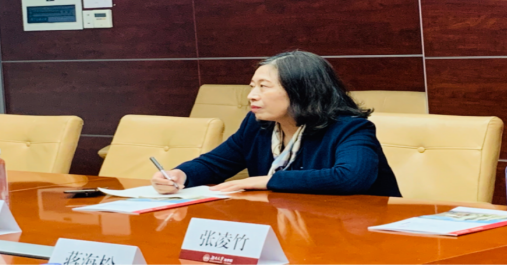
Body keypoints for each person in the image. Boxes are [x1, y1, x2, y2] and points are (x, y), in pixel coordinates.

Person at [151, 50, 401, 197]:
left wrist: (265, 181)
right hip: (290, 222)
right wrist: (181, 174)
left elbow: (350, 177)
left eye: (264, 87)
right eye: (252, 86)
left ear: (301, 92)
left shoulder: (350, 128)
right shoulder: (258, 125)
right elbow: (214, 164)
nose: (252, 96)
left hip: (357, 230)